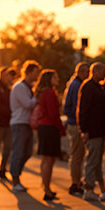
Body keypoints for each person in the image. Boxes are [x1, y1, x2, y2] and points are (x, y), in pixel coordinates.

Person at [78, 62, 105, 201]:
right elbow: (83, 110)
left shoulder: (99, 87)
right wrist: (84, 130)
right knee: (92, 160)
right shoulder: (88, 87)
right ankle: (88, 189)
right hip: (92, 130)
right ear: (95, 71)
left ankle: (102, 190)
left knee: (97, 161)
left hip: (99, 130)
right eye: (103, 71)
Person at [9, 60, 41, 192]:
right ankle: (15, 178)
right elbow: (28, 104)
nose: (37, 75)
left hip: (27, 123)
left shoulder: (28, 86)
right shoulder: (20, 87)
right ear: (28, 72)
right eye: (35, 72)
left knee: (27, 151)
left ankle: (17, 173)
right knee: (18, 151)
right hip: (19, 122)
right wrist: (37, 96)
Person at [34, 70, 66, 201]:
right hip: (49, 127)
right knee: (48, 159)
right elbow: (53, 114)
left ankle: (46, 187)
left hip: (45, 126)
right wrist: (61, 128)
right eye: (55, 77)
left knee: (47, 159)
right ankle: (47, 189)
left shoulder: (44, 92)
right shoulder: (49, 93)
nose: (57, 79)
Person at [63, 62, 90, 196]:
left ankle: (77, 181)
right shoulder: (76, 85)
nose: (87, 74)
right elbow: (69, 107)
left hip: (76, 123)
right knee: (77, 155)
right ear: (79, 72)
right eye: (85, 72)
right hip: (75, 124)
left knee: (79, 155)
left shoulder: (76, 84)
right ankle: (75, 182)